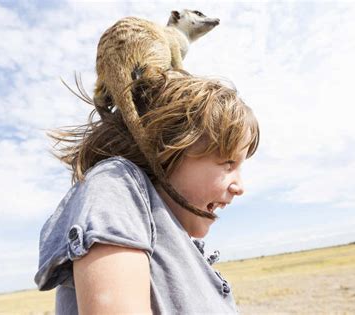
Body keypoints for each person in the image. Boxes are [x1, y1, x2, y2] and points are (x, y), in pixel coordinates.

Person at [34, 70, 260, 314]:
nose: (240, 187)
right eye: (228, 163)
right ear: (169, 148)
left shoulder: (177, 241)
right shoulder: (115, 183)